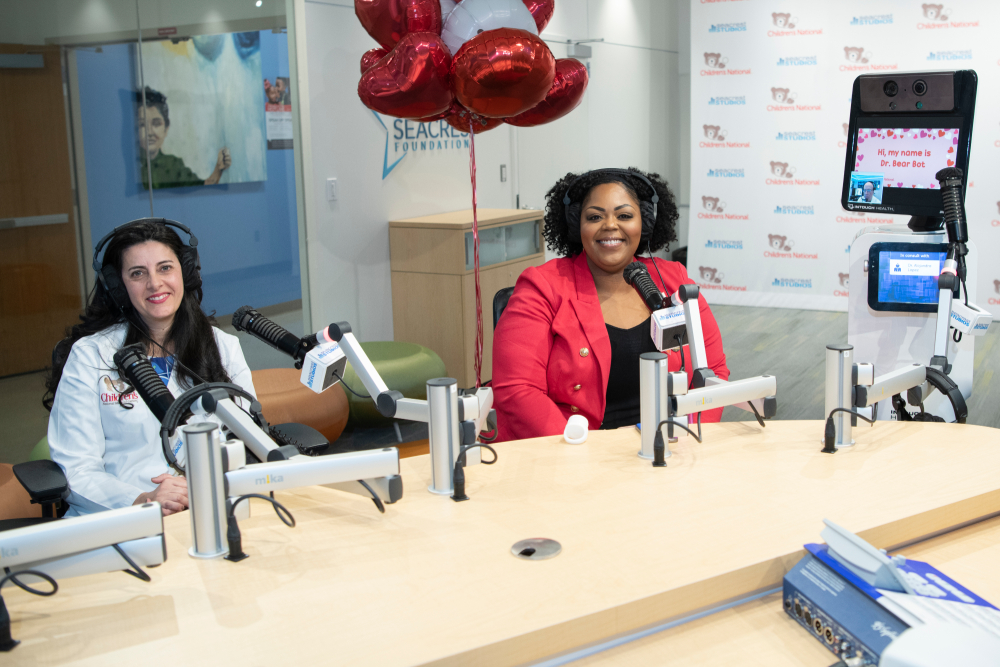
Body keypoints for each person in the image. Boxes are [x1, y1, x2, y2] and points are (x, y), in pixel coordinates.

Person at [492, 168, 730, 441]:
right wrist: (579, 457)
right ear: (575, 224)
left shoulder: (675, 281)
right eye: (594, 217)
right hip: (573, 452)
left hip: (670, 446)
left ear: (646, 222)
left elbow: (713, 373)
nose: (610, 225)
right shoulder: (542, 287)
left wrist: (691, 438)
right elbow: (517, 391)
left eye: (625, 215)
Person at [44, 219, 256, 516]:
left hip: (210, 505)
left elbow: (248, 440)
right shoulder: (91, 356)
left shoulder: (223, 347)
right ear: (118, 287)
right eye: (137, 273)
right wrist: (142, 499)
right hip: (122, 519)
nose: (154, 283)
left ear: (185, 271)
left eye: (165, 268)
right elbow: (76, 468)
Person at [137, 87, 231, 189]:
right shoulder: (132, 167)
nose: (150, 132)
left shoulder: (173, 165)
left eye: (156, 124)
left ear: (166, 129)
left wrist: (219, 168)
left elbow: (202, 188)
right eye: (142, 125)